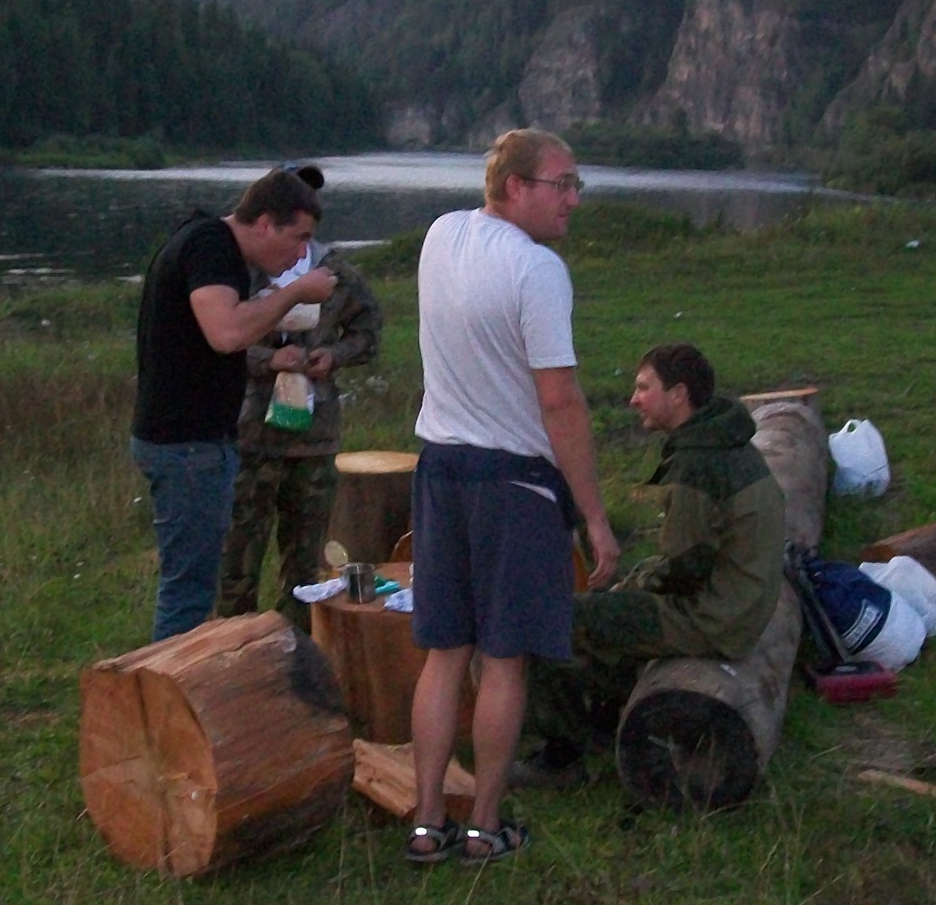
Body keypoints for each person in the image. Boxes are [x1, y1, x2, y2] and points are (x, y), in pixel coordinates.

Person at [404, 128, 620, 866]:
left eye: (575, 184)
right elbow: (559, 401)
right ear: (514, 187)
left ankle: (427, 819)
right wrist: (593, 516)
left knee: (443, 653)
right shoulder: (537, 271)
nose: (574, 199)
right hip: (513, 485)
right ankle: (483, 827)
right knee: (503, 661)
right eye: (561, 184)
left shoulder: (441, 236)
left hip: (441, 470)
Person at [514, 342, 786, 788]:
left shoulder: (699, 463)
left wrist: (631, 587)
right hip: (740, 608)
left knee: (552, 620)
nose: (633, 398)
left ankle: (562, 758)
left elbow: (684, 568)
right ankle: (606, 725)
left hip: (714, 620)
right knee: (607, 614)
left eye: (644, 387)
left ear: (678, 394)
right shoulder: (725, 439)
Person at [131, 168, 338, 642]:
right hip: (187, 446)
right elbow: (225, 333)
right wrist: (295, 293)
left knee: (191, 586)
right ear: (264, 223)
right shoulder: (213, 248)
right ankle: (171, 704)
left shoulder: (205, 240)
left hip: (189, 443)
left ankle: (175, 697)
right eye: (299, 237)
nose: (302, 253)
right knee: (188, 595)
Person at [216, 174, 383, 632]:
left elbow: (369, 333)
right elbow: (219, 339)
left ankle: (296, 653)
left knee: (305, 569)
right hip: (251, 435)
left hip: (314, 440)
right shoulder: (243, 271)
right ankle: (231, 648)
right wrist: (270, 359)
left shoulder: (337, 275)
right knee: (236, 562)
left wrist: (334, 355)